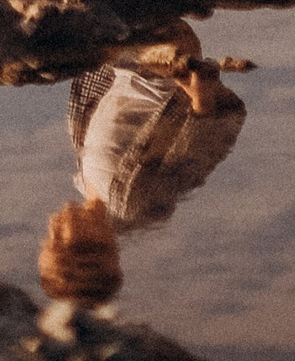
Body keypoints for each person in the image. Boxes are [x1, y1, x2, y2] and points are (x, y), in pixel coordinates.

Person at [37, 22, 248, 304]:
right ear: (83, 243)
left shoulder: (90, 188)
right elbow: (192, 161)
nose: (50, 227)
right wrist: (202, 101)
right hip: (162, 64)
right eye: (54, 239)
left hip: (125, 61)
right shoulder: (131, 203)